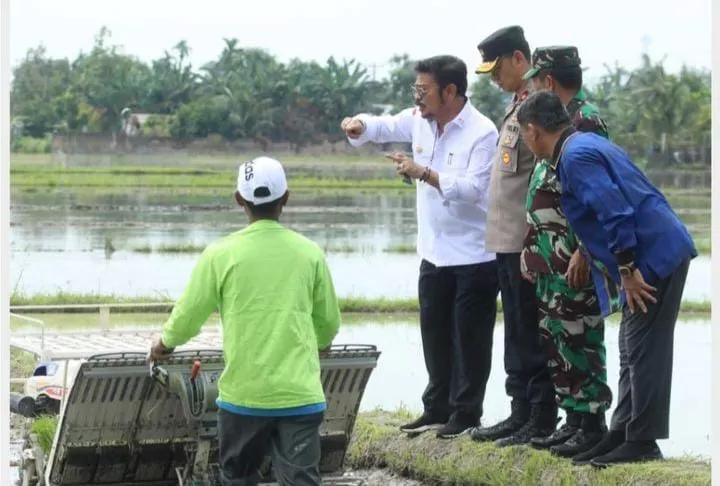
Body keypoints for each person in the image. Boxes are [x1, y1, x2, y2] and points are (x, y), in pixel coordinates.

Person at [515, 90, 697, 467]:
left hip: (653, 259)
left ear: (533, 131)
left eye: (521, 133)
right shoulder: (579, 147)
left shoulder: (577, 156)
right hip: (648, 255)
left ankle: (643, 441)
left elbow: (615, 213)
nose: (523, 141)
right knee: (631, 347)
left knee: (646, 350)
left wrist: (628, 272)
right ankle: (622, 432)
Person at [148, 156, 341, 486]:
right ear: (286, 198)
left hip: (243, 400)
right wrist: (320, 345)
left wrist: (163, 343)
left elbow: (189, 314)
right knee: (301, 481)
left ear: (239, 199)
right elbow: (327, 322)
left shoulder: (221, 254)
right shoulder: (310, 253)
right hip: (300, 397)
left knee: (238, 478)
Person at [341, 55, 500, 439]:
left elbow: (474, 190)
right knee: (434, 333)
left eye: (423, 90)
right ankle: (436, 408)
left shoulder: (483, 132)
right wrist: (360, 124)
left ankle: (466, 414)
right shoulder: (420, 121)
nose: (417, 97)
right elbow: (385, 125)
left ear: (450, 91)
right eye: (415, 90)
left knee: (469, 339)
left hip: (476, 255)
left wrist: (423, 172)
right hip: (434, 251)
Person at [519, 45, 618, 458]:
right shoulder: (550, 117)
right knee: (559, 339)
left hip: (573, 256)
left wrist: (583, 250)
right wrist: (532, 249)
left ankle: (590, 422)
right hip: (549, 255)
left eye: (537, 80)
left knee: (580, 337)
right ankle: (573, 419)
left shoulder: (584, 121)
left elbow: (592, 194)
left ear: (549, 79)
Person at [469, 25, 557, 448]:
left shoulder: (540, 110)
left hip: (526, 241)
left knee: (530, 331)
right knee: (516, 332)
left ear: (519, 60)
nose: (493, 77)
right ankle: (519, 410)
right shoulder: (515, 107)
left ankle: (539, 417)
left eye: (498, 68)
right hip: (504, 240)